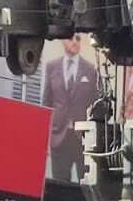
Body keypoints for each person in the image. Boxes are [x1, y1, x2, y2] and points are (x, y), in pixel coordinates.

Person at [40, 37, 100, 184]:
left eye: (78, 39)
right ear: (62, 41)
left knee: (85, 183)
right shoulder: (52, 67)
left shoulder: (90, 69)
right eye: (70, 38)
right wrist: (46, 136)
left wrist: (94, 134)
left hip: (83, 138)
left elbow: (97, 104)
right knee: (60, 184)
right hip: (59, 136)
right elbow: (47, 102)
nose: (75, 42)